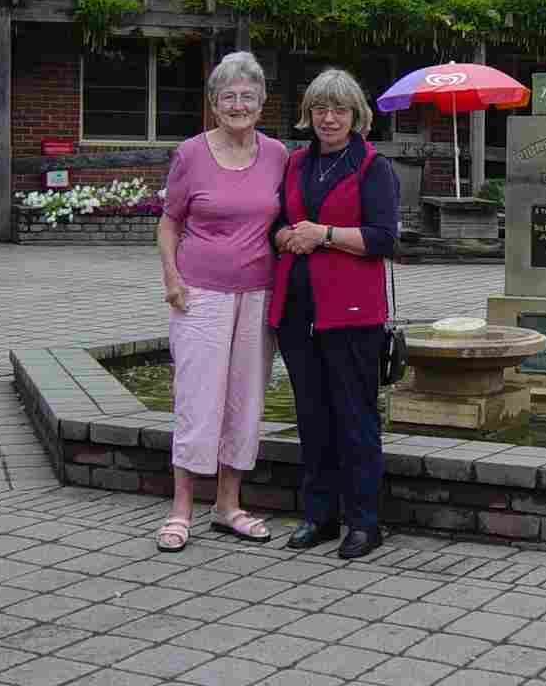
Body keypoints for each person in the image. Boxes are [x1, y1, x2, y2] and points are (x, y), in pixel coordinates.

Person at [154, 51, 289, 553]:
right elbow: (169, 222)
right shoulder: (191, 153)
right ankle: (181, 508)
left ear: (261, 103)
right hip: (200, 294)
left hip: (258, 293)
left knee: (244, 399)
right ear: (213, 103)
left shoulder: (277, 154)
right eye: (228, 96)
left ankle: (228, 505)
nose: (238, 104)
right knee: (196, 399)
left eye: (248, 96)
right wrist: (171, 277)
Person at [268, 68, 399, 560]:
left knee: (355, 418)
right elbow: (278, 225)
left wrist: (322, 234)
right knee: (312, 417)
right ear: (309, 113)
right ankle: (319, 516)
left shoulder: (372, 166)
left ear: (355, 116)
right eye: (320, 108)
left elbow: (383, 238)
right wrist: (288, 236)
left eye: (338, 109)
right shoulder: (296, 164)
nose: (328, 118)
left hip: (352, 315)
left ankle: (365, 522)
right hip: (298, 312)